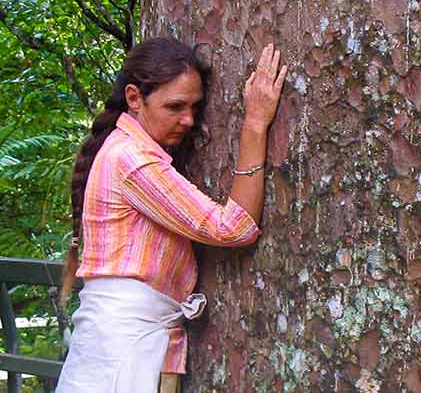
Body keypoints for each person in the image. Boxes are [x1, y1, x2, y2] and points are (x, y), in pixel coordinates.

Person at [55, 38, 287, 393]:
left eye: (195, 107)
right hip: (125, 346)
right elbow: (233, 228)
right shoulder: (131, 159)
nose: (189, 120)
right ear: (134, 98)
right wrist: (255, 123)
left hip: (125, 341)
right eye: (175, 107)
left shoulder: (126, 150)